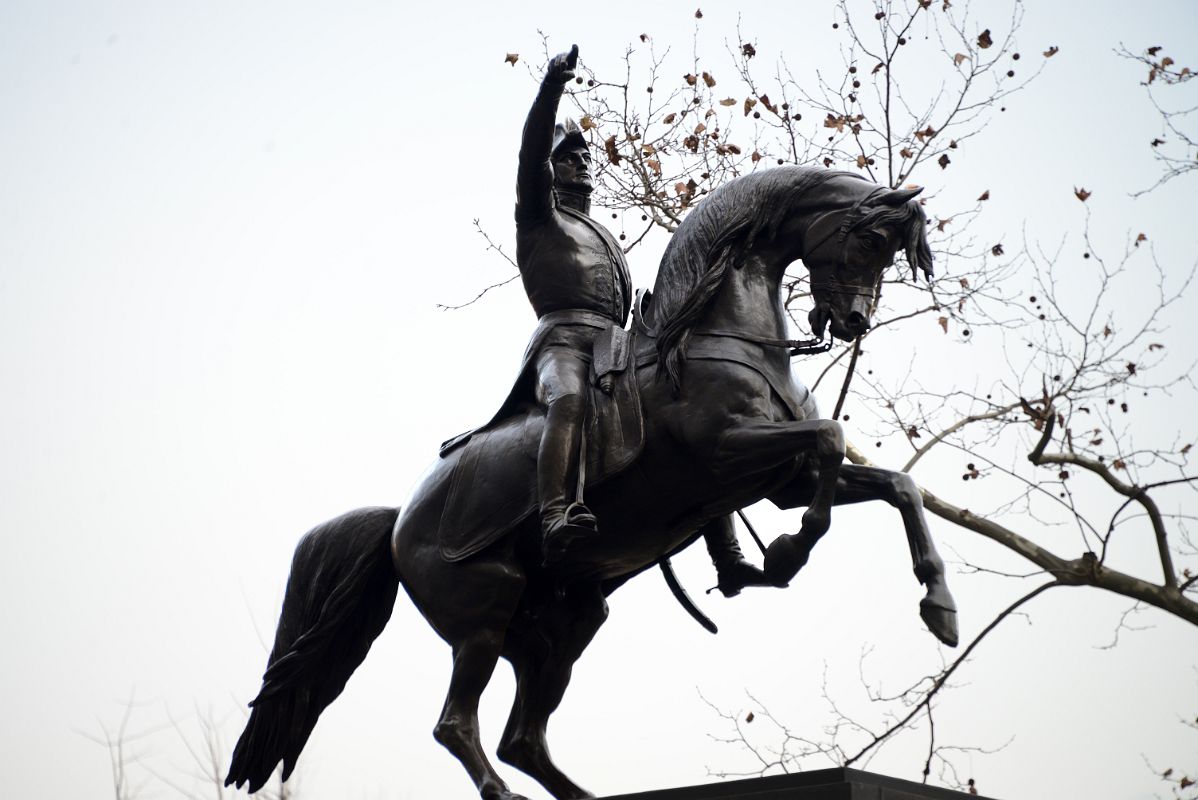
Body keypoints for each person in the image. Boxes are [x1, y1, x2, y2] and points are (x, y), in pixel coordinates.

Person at [515, 45, 769, 595]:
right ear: (550, 171)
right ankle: (555, 513)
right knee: (570, 401)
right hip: (563, 342)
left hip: (615, 345)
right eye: (568, 158)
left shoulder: (603, 235)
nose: (582, 164)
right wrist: (551, 88)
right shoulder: (538, 217)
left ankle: (727, 558)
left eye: (585, 158)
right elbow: (532, 153)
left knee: (692, 409)